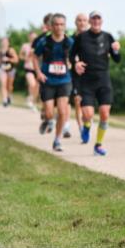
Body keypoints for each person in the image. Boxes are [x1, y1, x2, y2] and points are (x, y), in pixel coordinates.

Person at [71, 11, 120, 156]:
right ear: (90, 21)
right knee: (88, 114)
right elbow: (71, 54)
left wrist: (116, 51)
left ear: (102, 21)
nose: (96, 21)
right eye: (93, 18)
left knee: (105, 114)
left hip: (103, 80)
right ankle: (86, 126)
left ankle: (98, 145)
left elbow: (117, 59)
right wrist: (76, 63)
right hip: (86, 81)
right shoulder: (81, 37)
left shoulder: (108, 36)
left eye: (98, 18)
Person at [33, 13, 74, 152]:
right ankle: (47, 120)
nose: (59, 27)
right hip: (48, 80)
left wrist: (74, 63)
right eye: (56, 24)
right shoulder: (44, 41)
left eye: (62, 24)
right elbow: (34, 56)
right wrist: (38, 73)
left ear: (65, 26)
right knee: (50, 113)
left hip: (64, 80)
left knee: (62, 112)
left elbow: (76, 57)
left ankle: (57, 140)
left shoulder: (70, 42)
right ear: (51, 26)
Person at [68, 13, 90, 136]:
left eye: (84, 20)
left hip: (89, 73)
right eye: (79, 20)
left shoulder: (92, 38)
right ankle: (81, 128)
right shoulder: (70, 39)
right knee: (77, 100)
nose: (82, 23)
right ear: (75, 22)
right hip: (75, 73)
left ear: (88, 23)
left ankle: (87, 124)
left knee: (87, 102)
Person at [0, 37, 20, 107]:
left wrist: (8, 59)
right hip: (2, 69)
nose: (4, 43)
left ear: (8, 43)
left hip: (10, 69)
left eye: (5, 41)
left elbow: (16, 60)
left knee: (9, 86)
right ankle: (4, 100)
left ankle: (9, 96)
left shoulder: (11, 50)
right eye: (3, 41)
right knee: (3, 84)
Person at [20, 31, 39, 111]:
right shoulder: (25, 46)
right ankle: (30, 98)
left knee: (37, 87)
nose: (33, 38)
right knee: (32, 84)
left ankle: (32, 101)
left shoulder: (39, 45)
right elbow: (20, 56)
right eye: (32, 37)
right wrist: (26, 58)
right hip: (28, 68)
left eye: (35, 37)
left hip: (37, 69)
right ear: (29, 37)